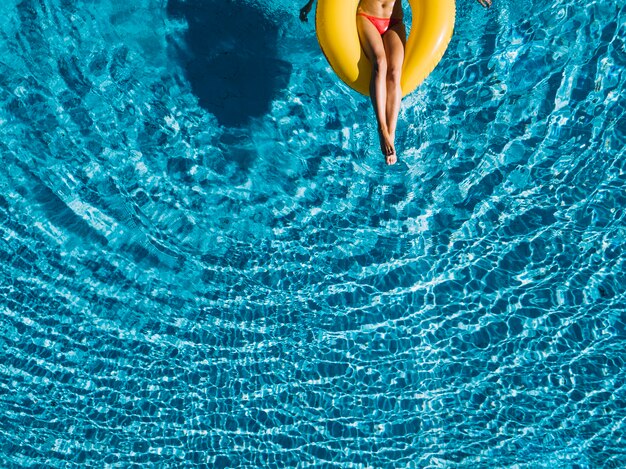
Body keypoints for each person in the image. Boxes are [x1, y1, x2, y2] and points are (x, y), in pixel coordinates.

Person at [300, 0, 492, 165]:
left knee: (394, 72)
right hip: (367, 18)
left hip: (394, 23)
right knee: (380, 63)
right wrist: (310, 5)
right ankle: (381, 128)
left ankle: (390, 135)